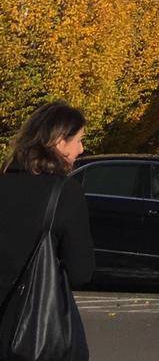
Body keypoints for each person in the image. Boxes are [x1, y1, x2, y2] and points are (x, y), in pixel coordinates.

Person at [0, 101, 95, 359]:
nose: (81, 149)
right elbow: (81, 272)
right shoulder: (66, 193)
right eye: (78, 140)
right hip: (37, 331)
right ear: (59, 142)